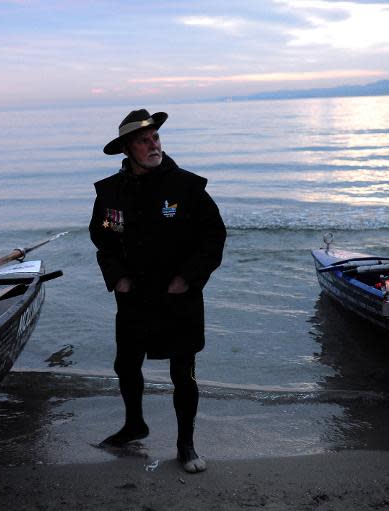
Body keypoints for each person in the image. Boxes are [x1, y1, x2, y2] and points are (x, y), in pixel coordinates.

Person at [89, 108, 226, 473]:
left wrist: (189, 277)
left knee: (183, 372)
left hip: (178, 296)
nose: (154, 145)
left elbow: (214, 237)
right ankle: (135, 424)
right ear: (127, 149)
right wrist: (117, 276)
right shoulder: (110, 193)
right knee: (126, 365)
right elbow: (103, 238)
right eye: (144, 140)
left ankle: (186, 445)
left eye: (156, 138)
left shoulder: (187, 187)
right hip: (133, 297)